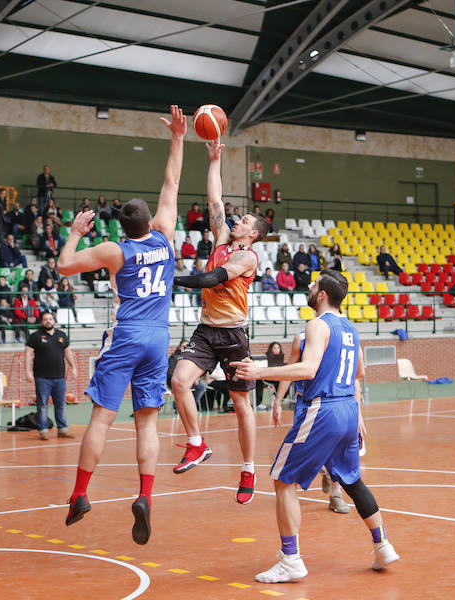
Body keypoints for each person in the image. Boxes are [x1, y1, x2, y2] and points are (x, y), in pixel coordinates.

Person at [57, 105, 185, 545]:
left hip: (127, 335)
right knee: (146, 422)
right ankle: (146, 496)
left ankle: (80, 495)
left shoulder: (115, 250)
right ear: (149, 222)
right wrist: (179, 138)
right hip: (159, 338)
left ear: (122, 227)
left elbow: (63, 267)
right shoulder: (165, 237)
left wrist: (75, 230)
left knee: (101, 419)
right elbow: (171, 182)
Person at [232, 270, 399, 582]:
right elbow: (357, 372)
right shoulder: (351, 328)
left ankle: (290, 559)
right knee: (353, 481)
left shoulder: (317, 325)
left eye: (313, 285)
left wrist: (259, 370)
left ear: (322, 294)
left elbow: (308, 369)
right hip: (348, 408)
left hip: (324, 410)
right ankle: (383, 545)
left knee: (282, 480)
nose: (309, 288)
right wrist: (358, 412)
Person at [169, 140, 269, 505]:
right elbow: (214, 199)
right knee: (179, 380)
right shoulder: (222, 240)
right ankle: (197, 444)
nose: (236, 219)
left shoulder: (249, 258)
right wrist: (215, 159)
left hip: (233, 336)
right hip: (206, 329)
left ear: (253, 233)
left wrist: (173, 281)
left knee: (242, 406)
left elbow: (212, 280)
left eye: (243, 220)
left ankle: (248, 469)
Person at [274, 332, 350, 514]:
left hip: (330, 403)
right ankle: (322, 470)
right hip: (305, 404)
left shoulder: (342, 336)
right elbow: (291, 369)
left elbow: (354, 375)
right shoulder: (301, 338)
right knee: (302, 450)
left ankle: (336, 494)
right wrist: (278, 400)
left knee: (334, 451)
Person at [24, 311, 77, 440]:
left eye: (50, 319)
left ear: (54, 321)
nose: (48, 321)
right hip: (42, 377)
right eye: (45, 319)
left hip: (59, 377)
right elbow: (28, 354)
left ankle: (62, 429)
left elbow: (68, 352)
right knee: (42, 405)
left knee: (61, 404)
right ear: (41, 322)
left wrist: (73, 367)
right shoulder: (35, 336)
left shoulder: (62, 335)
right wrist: (28, 371)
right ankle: (43, 431)